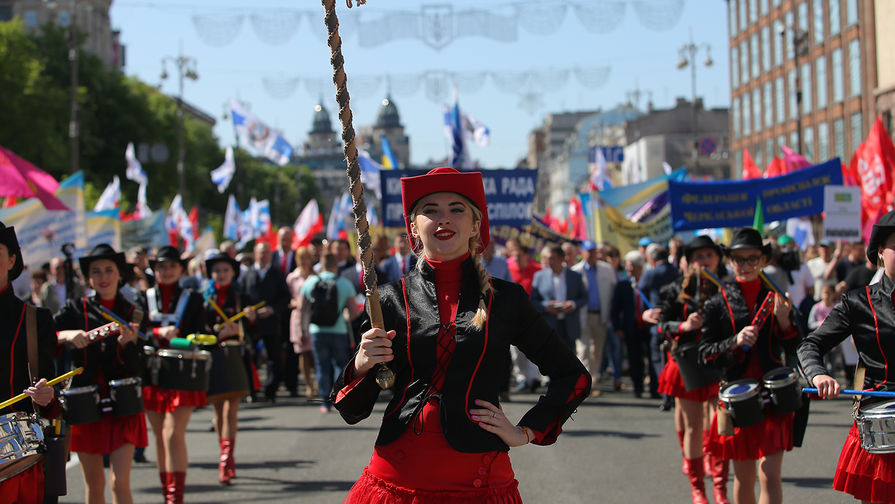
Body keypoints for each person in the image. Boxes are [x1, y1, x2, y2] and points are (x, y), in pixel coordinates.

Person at [332, 167, 590, 502]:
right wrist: (363, 364)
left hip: (480, 481)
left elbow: (574, 376)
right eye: (431, 211)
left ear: (475, 224)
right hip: (396, 480)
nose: (444, 220)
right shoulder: (388, 300)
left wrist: (525, 431)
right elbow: (351, 409)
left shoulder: (507, 299)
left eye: (456, 209)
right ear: (413, 226)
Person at [798, 209, 895, 504]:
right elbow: (810, 345)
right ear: (880, 252)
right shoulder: (859, 302)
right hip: (882, 422)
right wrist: (819, 373)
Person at [698, 228, 799, 504]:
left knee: (769, 474)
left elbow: (795, 349)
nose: (745, 266)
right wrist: (734, 341)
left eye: (752, 259)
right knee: (744, 477)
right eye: (739, 260)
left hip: (774, 395)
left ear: (763, 259)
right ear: (730, 261)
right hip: (737, 396)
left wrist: (784, 322)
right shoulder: (717, 302)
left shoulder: (777, 296)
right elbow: (705, 354)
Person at [54, 243, 147, 504]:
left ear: (120, 274)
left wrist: (128, 345)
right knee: (94, 485)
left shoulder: (134, 311)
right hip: (85, 406)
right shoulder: (75, 309)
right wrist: (67, 336)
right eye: (96, 272)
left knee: (119, 483)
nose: (103, 277)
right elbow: (45, 336)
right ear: (89, 278)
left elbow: (141, 365)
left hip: (124, 403)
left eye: (109, 270)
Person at [655, 236, 728, 504]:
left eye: (709, 255)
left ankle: (720, 490)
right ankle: (698, 490)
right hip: (686, 363)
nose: (704, 261)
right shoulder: (675, 289)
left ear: (718, 258)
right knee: (693, 427)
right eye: (699, 257)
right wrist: (684, 326)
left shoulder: (728, 289)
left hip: (719, 362)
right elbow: (663, 325)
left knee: (720, 427)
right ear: (689, 261)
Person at [0, 222, 61, 502]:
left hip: (21, 456)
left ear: (12, 259)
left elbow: (52, 394)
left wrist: (47, 393)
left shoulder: (35, 319)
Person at [143, 245, 207, 504]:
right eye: (161, 266)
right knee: (159, 435)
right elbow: (137, 333)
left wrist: (183, 339)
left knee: (172, 433)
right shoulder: (143, 297)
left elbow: (200, 334)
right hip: (151, 373)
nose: (166, 271)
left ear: (181, 269)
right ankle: (165, 490)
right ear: (154, 269)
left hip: (181, 374)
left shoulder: (192, 298)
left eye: (171, 266)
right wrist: (158, 334)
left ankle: (175, 497)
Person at [202, 252, 251, 485]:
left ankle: (227, 460)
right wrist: (217, 334)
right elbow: (198, 332)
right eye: (216, 271)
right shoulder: (203, 300)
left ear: (233, 272)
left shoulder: (241, 297)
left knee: (231, 411)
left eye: (225, 270)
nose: (221, 275)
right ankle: (224, 457)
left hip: (234, 357)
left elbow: (253, 334)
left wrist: (248, 322)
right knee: (217, 412)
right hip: (213, 356)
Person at [301, 251, 361, 412]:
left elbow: (303, 308)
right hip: (339, 330)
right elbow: (354, 312)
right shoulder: (344, 283)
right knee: (340, 365)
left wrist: (302, 329)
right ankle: (338, 398)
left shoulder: (311, 282)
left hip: (317, 331)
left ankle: (324, 403)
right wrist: (347, 315)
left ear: (322, 263)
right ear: (336, 265)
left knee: (321, 366)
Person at [239, 242, 290, 402]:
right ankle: (252, 390)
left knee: (273, 357)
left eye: (267, 252)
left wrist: (272, 309)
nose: (263, 255)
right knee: (250, 356)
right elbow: (241, 296)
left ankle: (271, 390)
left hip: (271, 321)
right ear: (255, 254)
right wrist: (247, 310)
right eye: (261, 252)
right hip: (252, 323)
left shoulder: (276, 273)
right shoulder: (248, 274)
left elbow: (285, 297)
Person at [571, 240, 617, 393]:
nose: (590, 254)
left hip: (600, 315)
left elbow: (613, 290)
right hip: (583, 315)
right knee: (583, 350)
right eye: (588, 251)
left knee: (597, 350)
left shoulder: (607, 269)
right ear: (582, 252)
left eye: (593, 251)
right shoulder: (576, 271)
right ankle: (584, 384)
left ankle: (593, 381)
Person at [611, 251, 657, 398]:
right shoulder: (623, 284)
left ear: (639, 267)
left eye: (631, 266)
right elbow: (615, 308)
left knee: (652, 358)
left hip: (649, 326)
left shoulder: (649, 281)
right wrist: (617, 327)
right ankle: (638, 387)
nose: (628, 269)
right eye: (627, 266)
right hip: (631, 327)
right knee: (634, 359)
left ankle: (654, 388)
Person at [531, 244, 587, 351]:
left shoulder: (575, 276)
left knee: (570, 361)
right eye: (547, 258)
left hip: (569, 327)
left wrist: (573, 304)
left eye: (552, 258)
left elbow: (584, 297)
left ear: (562, 258)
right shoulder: (539, 276)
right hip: (549, 326)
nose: (549, 261)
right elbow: (533, 300)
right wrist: (546, 306)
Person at [287, 247, 318, 399]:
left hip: (313, 316)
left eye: (306, 257)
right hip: (299, 317)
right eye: (301, 257)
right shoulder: (292, 277)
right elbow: (289, 297)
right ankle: (308, 384)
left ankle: (319, 381)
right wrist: (294, 302)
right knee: (303, 353)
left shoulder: (316, 276)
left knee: (315, 352)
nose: (304, 261)